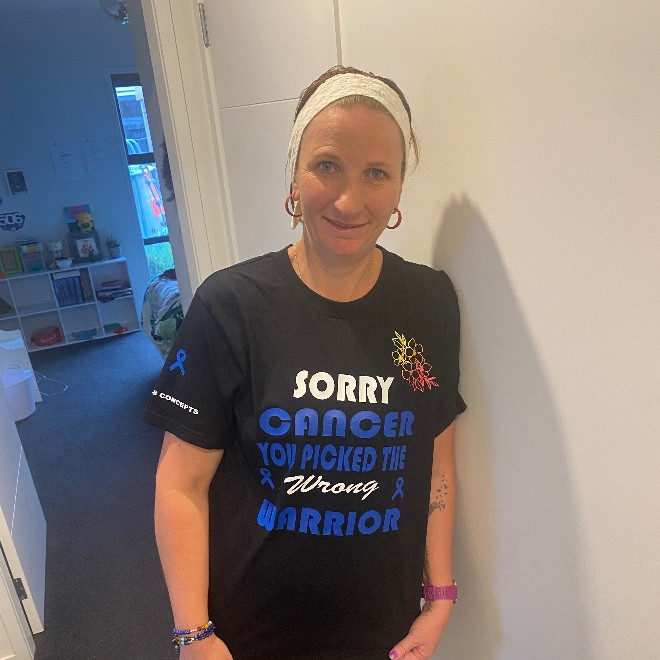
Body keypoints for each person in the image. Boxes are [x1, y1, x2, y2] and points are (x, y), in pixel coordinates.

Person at [144, 65, 466, 660]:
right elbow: (180, 483)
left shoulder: (428, 303)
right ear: (294, 174)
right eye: (327, 166)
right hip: (251, 633)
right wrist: (193, 633)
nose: (349, 200)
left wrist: (440, 593)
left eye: (376, 173)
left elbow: (435, 459)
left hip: (384, 629)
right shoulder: (230, 306)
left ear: (399, 187)